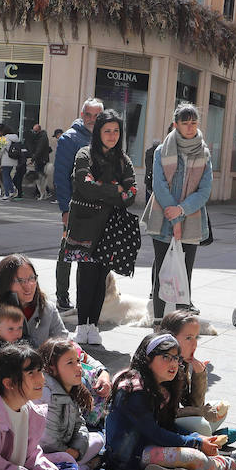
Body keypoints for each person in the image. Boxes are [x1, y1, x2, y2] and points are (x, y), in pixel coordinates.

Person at [104, 334, 236, 470]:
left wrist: (198, 438)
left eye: (176, 358)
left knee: (201, 444)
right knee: (194, 458)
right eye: (166, 357)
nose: (174, 364)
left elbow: (167, 424)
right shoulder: (133, 389)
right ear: (147, 358)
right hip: (131, 455)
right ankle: (232, 463)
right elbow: (154, 433)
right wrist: (196, 443)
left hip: (151, 444)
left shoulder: (163, 384)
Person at [65, 108, 139, 346]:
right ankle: (81, 326)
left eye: (116, 131)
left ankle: (93, 325)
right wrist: (115, 189)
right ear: (98, 132)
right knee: (85, 277)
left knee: (100, 278)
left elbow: (132, 193)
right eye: (107, 131)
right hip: (85, 226)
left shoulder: (123, 160)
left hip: (110, 228)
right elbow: (84, 184)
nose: (112, 135)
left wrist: (107, 190)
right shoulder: (84, 154)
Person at [147, 105, 214, 321]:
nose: (190, 127)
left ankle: (182, 326)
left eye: (193, 122)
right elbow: (158, 186)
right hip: (162, 218)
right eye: (185, 123)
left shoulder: (204, 152)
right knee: (162, 273)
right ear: (176, 124)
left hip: (191, 220)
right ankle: (159, 322)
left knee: (184, 275)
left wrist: (181, 210)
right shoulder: (161, 150)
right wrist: (175, 218)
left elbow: (204, 191)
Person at [53, 99, 105, 311]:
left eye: (96, 116)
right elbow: (61, 177)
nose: (92, 120)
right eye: (88, 115)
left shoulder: (106, 136)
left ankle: (87, 297)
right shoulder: (69, 138)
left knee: (93, 255)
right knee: (67, 251)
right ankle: (62, 296)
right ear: (82, 115)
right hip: (75, 206)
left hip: (99, 207)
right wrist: (65, 209)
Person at [0, 254, 69, 359]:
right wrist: (3, 369)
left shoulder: (47, 308)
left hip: (39, 372)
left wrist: (80, 355)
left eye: (32, 278)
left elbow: (64, 343)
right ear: (6, 284)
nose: (28, 286)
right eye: (20, 281)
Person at [159, 309, 236, 443]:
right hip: (162, 426)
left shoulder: (182, 362)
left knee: (219, 406)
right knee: (202, 424)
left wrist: (199, 374)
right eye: (188, 338)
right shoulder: (161, 364)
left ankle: (210, 438)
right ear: (170, 338)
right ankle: (211, 439)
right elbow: (165, 414)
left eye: (196, 337)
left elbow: (192, 403)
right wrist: (203, 412)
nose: (194, 343)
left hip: (176, 419)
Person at [38, 338, 105, 470]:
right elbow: (47, 440)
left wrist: (76, 448)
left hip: (65, 449)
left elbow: (80, 424)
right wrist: (67, 453)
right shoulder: (46, 393)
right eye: (70, 363)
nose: (79, 367)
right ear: (52, 368)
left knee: (98, 439)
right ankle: (79, 469)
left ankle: (69, 469)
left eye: (78, 361)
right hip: (43, 454)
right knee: (65, 460)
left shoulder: (71, 388)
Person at [26, 122, 51, 199]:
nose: (34, 132)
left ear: (39, 130)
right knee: (40, 178)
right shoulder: (40, 136)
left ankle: (43, 193)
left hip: (41, 160)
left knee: (40, 179)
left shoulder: (42, 137)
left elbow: (39, 149)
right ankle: (43, 193)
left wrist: (33, 159)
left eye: (35, 131)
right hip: (40, 159)